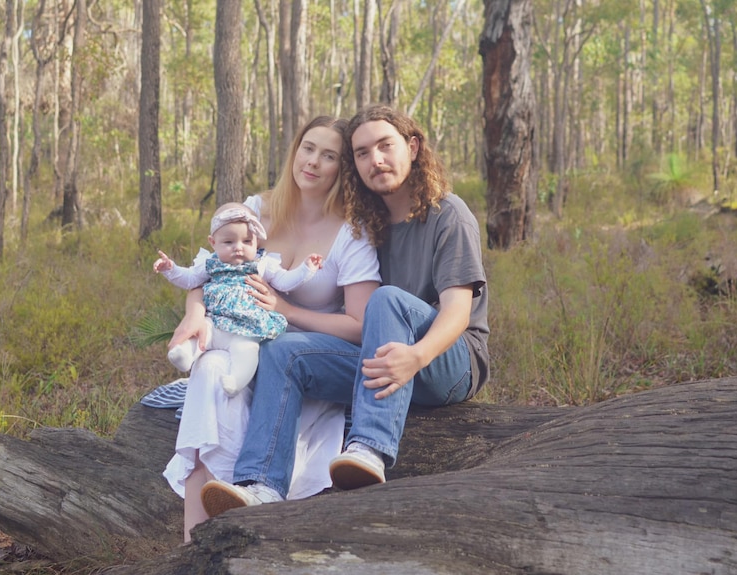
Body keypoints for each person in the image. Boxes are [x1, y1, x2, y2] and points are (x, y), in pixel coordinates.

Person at [200, 104, 489, 516]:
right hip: (385, 359)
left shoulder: (449, 214)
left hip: (447, 360)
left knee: (385, 299)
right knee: (286, 351)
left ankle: (368, 449)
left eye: (385, 146)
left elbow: (458, 314)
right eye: (362, 153)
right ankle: (261, 483)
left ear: (412, 146)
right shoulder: (369, 224)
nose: (376, 160)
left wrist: (416, 357)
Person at [162, 116, 381, 542]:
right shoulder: (257, 209)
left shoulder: (351, 234)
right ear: (295, 150)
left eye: (330, 155)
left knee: (267, 366)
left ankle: (259, 523)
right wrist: (193, 312)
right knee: (207, 372)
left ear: (343, 169)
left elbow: (359, 327)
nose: (313, 162)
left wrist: (286, 310)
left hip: (303, 357)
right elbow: (209, 270)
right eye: (308, 148)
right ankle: (193, 540)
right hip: (244, 340)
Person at [153, 202, 323, 395]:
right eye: (229, 242)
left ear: (256, 242)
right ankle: (183, 356)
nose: (238, 248)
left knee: (247, 350)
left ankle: (236, 381)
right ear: (213, 242)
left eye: (247, 242)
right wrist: (170, 269)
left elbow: (284, 281)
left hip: (247, 327)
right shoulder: (209, 263)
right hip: (215, 321)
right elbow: (190, 279)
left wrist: (306, 269)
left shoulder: (263, 264)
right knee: (201, 337)